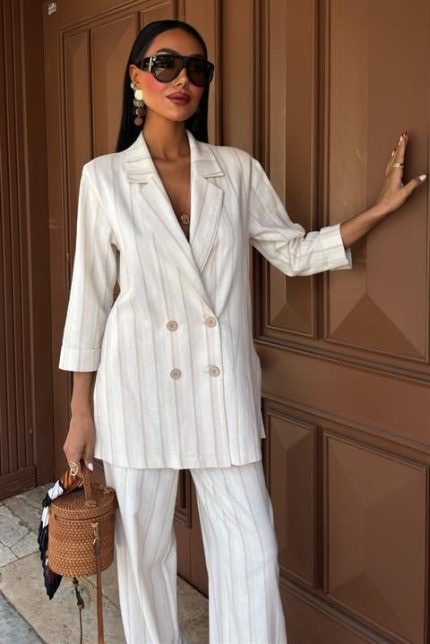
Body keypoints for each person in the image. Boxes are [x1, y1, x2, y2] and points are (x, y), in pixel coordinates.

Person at [59, 18, 426, 644]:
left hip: (219, 389)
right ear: (137, 77)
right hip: (136, 388)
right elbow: (89, 298)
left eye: (197, 69)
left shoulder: (235, 170)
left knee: (252, 554)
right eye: (166, 63)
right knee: (143, 559)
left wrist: (377, 210)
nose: (183, 79)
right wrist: (80, 410)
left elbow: (293, 252)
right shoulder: (106, 177)